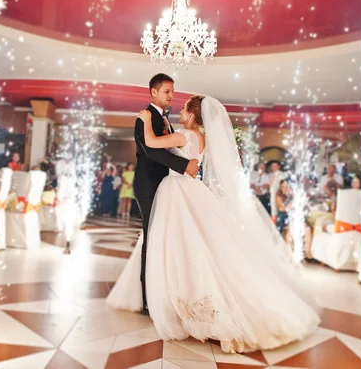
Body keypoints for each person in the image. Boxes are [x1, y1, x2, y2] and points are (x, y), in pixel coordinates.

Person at [107, 96, 321, 353]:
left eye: (185, 109)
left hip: (175, 190)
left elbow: (152, 142)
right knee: (200, 243)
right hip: (193, 189)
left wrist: (144, 121)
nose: (181, 111)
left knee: (174, 245)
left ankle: (176, 302)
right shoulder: (201, 138)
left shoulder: (184, 136)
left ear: (192, 116)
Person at [131, 73, 199, 315]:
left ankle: (166, 292)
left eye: (172, 91)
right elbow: (150, 152)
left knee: (164, 238)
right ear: (153, 92)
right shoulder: (144, 118)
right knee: (152, 237)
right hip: (148, 186)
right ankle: (148, 299)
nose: (172, 95)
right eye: (167, 91)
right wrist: (184, 165)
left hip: (166, 186)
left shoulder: (166, 121)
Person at [275, 179, 293, 244]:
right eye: (283, 187)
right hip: (283, 215)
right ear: (280, 188)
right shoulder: (278, 195)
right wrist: (291, 206)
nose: (285, 188)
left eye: (286, 186)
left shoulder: (292, 194)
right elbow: (281, 208)